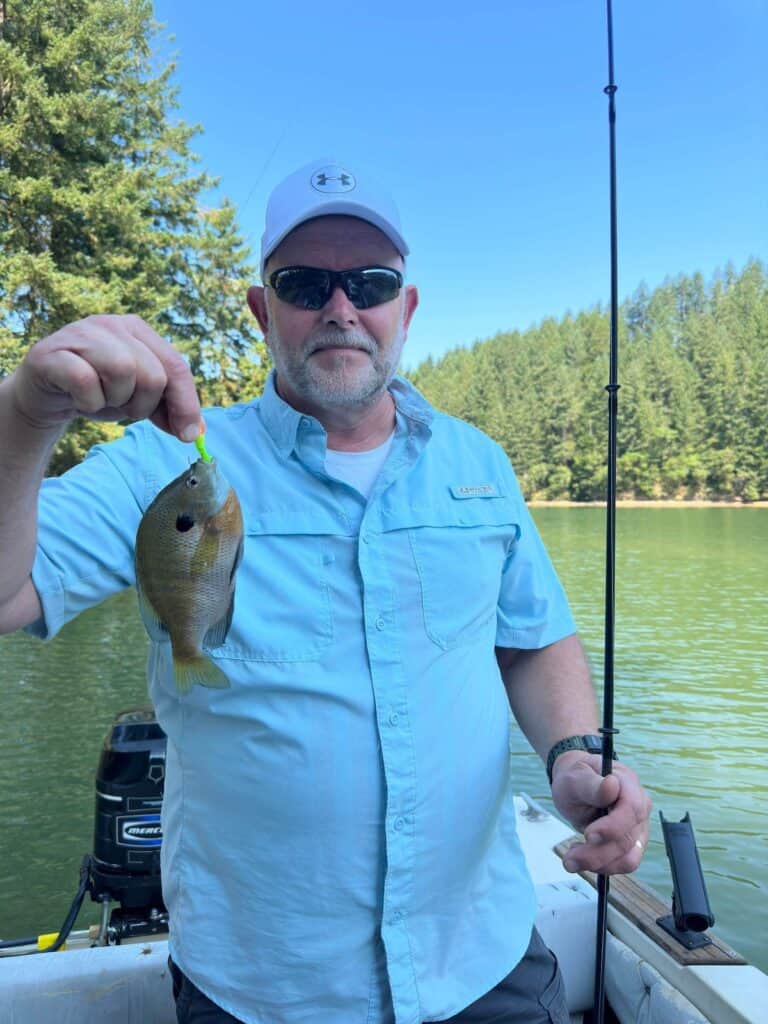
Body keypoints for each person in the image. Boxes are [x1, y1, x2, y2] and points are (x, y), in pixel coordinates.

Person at [0, 158, 652, 1024]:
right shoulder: (171, 464)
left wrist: (574, 752)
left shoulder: (476, 464)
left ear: (404, 308)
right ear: (263, 309)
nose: (341, 307)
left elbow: (531, 636)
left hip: (482, 960)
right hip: (262, 989)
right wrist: (27, 414)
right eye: (306, 283)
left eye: (370, 282)